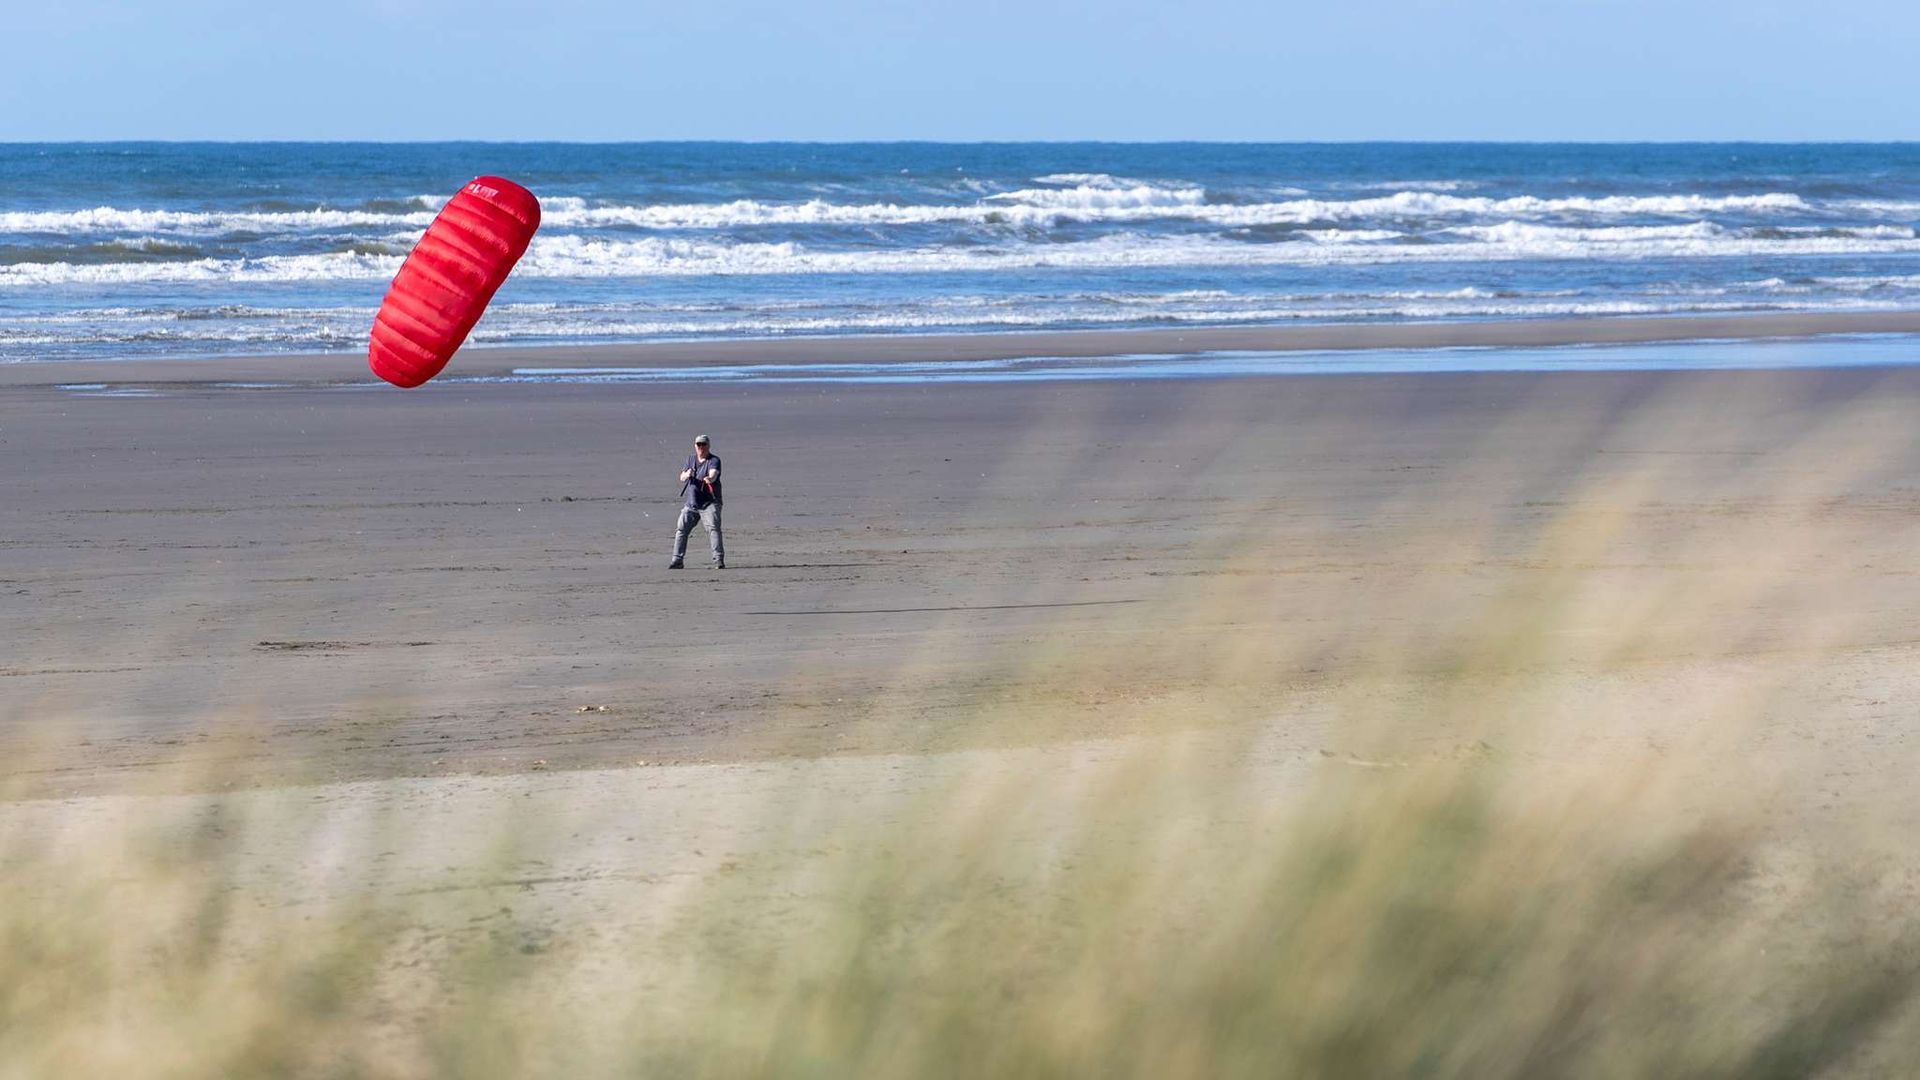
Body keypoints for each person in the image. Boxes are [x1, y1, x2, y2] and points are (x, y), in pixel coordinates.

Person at [670, 434, 724, 569]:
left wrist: (709, 479)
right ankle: (677, 560)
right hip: (692, 504)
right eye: (698, 445)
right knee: (681, 529)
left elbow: (713, 474)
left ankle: (718, 560)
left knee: (713, 529)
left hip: (710, 503)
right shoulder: (690, 459)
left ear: (708, 446)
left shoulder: (714, 460)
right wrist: (687, 474)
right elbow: (682, 477)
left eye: (703, 444)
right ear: (695, 446)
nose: (701, 447)